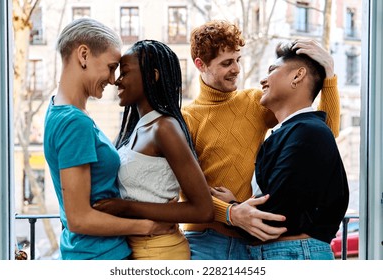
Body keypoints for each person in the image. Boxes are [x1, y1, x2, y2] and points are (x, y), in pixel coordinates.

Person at [181, 19, 341, 260]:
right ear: (200, 64)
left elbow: (323, 129)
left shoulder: (255, 102)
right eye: (226, 63)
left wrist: (329, 77)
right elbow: (186, 191)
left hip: (254, 243)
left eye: (237, 60)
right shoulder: (187, 118)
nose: (236, 69)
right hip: (208, 241)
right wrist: (230, 213)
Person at [43, 19, 173, 260]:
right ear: (83, 55)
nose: (114, 79)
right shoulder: (74, 123)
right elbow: (79, 218)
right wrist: (146, 227)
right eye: (111, 67)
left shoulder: (57, 110)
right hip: (100, 255)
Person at [92, 40, 214, 260]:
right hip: (134, 247)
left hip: (161, 251)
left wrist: (127, 208)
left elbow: (203, 209)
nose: (117, 81)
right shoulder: (138, 127)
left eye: (125, 72)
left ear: (152, 76)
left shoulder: (164, 128)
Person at [244, 41, 349, 259]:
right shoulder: (297, 131)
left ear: (298, 76)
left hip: (292, 254)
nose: (263, 80)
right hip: (285, 253)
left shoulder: (308, 131)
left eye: (272, 70)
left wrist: (232, 209)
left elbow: (279, 212)